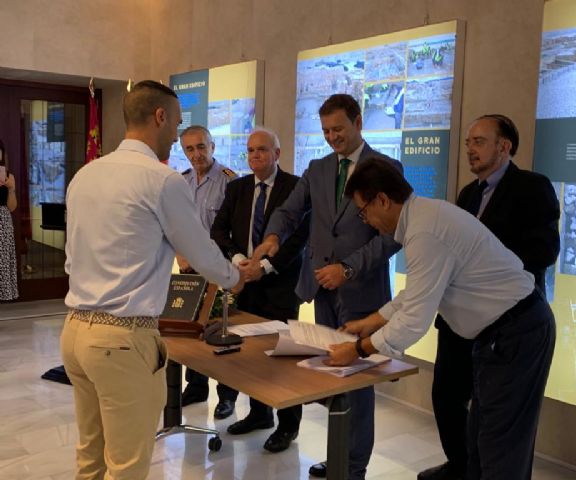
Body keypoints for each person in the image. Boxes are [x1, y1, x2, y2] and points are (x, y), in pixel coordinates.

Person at [328, 157, 556, 480]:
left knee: (501, 449)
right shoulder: (423, 219)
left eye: (364, 212)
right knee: (480, 443)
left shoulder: (425, 231)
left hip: (518, 331)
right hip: (498, 334)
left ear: (383, 200)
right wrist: (373, 321)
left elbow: (413, 321)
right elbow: (420, 291)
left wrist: (357, 350)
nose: (367, 222)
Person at [61, 80, 244, 480]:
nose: (177, 136)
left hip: (75, 333)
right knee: (127, 467)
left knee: (91, 457)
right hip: (122, 340)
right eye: (176, 124)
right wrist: (234, 276)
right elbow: (201, 253)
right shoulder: (162, 179)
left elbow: (72, 260)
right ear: (160, 117)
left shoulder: (85, 175)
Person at [254, 93, 402, 480]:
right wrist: (273, 237)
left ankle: (352, 467)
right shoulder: (318, 169)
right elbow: (289, 210)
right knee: (333, 376)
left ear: (358, 122)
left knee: (358, 382)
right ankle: (338, 454)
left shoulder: (385, 168)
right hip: (322, 290)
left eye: (338, 129)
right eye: (325, 131)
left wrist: (348, 269)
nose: (332, 137)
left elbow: (392, 235)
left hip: (362, 293)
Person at [425, 114, 560, 480]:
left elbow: (544, 250)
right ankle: (461, 466)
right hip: (461, 319)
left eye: (479, 142)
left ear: (504, 146)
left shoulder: (532, 187)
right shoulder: (468, 194)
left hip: (508, 321)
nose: (470, 149)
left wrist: (489, 263)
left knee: (500, 421)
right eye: (469, 142)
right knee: (447, 396)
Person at [211, 127, 309, 453]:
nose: (255, 155)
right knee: (251, 355)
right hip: (246, 284)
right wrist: (239, 260)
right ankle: (259, 414)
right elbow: (219, 230)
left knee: (282, 358)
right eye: (251, 150)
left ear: (277, 154)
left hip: (281, 286)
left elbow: (299, 237)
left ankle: (288, 425)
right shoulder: (237, 187)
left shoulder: (295, 187)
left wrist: (264, 266)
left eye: (262, 150)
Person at [177, 125, 238, 417]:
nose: (196, 154)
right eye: (189, 149)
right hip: (190, 267)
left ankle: (227, 395)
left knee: (223, 328)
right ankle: (196, 386)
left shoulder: (230, 181)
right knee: (193, 329)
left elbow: (235, 230)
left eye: (201, 147)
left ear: (212, 146)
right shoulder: (181, 182)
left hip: (219, 267)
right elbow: (175, 225)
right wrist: (180, 253)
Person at [0, 139, 19, 301]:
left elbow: (12, 207)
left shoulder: (8, 176)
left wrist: (11, 189)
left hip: (3, 222)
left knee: (2, 260)